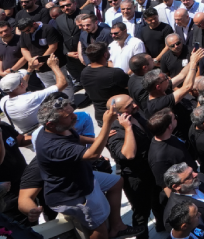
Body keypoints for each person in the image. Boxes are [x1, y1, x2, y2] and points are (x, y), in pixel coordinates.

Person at [33, 97, 139, 239]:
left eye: (72, 112)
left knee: (116, 182)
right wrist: (107, 124)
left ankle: (117, 226)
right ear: (51, 124)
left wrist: (96, 140)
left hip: (83, 176)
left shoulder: (59, 129)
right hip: (73, 193)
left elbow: (75, 137)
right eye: (68, 116)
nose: (74, 116)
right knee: (99, 227)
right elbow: (92, 155)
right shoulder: (53, 146)